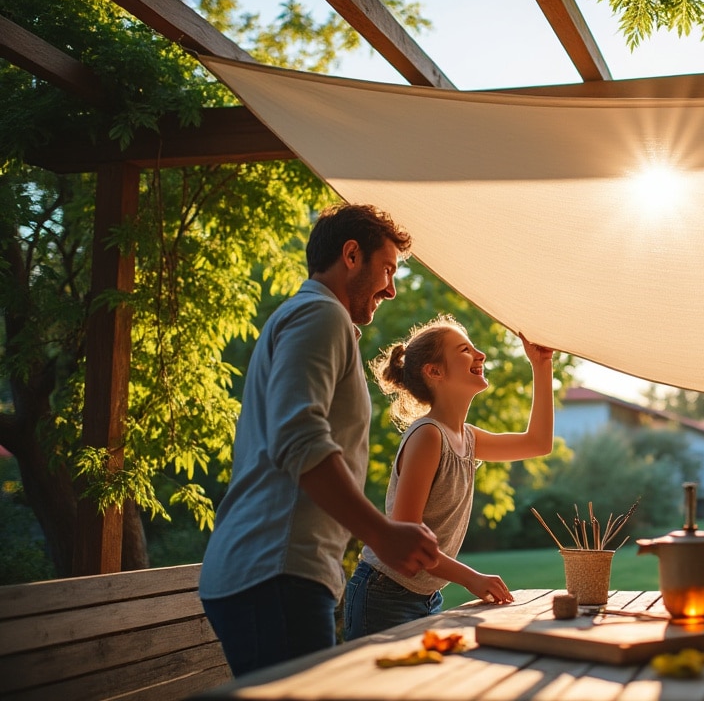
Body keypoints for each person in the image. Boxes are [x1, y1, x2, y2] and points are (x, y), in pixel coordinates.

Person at [199, 204, 440, 677]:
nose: (391, 289)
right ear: (352, 255)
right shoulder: (319, 315)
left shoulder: (317, 319)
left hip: (278, 574)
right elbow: (298, 439)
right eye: (388, 270)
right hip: (275, 572)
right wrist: (381, 534)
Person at [343, 316, 557, 638]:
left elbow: (538, 443)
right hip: (384, 593)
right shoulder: (429, 435)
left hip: (425, 595)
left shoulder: (467, 439)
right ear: (435, 371)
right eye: (465, 350)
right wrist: (471, 577)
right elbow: (406, 536)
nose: (480, 355)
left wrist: (541, 366)